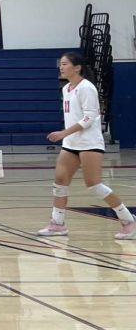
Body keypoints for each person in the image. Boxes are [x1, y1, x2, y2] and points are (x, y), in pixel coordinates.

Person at [38, 52, 136, 239]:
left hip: (89, 142)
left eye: (65, 64)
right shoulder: (66, 88)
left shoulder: (87, 88)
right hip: (71, 143)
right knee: (59, 182)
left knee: (94, 184)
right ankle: (58, 224)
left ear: (77, 67)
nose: (61, 67)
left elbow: (89, 118)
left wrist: (63, 133)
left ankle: (128, 219)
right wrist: (66, 136)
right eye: (60, 64)